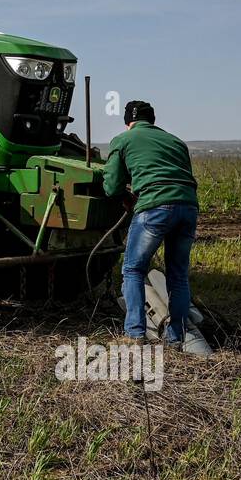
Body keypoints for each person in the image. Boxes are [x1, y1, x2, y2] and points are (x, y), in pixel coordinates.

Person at [102, 101, 204, 353]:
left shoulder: (123, 140)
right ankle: (175, 338)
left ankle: (135, 334)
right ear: (153, 120)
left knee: (133, 269)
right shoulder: (176, 142)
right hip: (188, 207)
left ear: (128, 122)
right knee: (178, 275)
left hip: (155, 208)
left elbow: (111, 186)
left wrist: (127, 195)